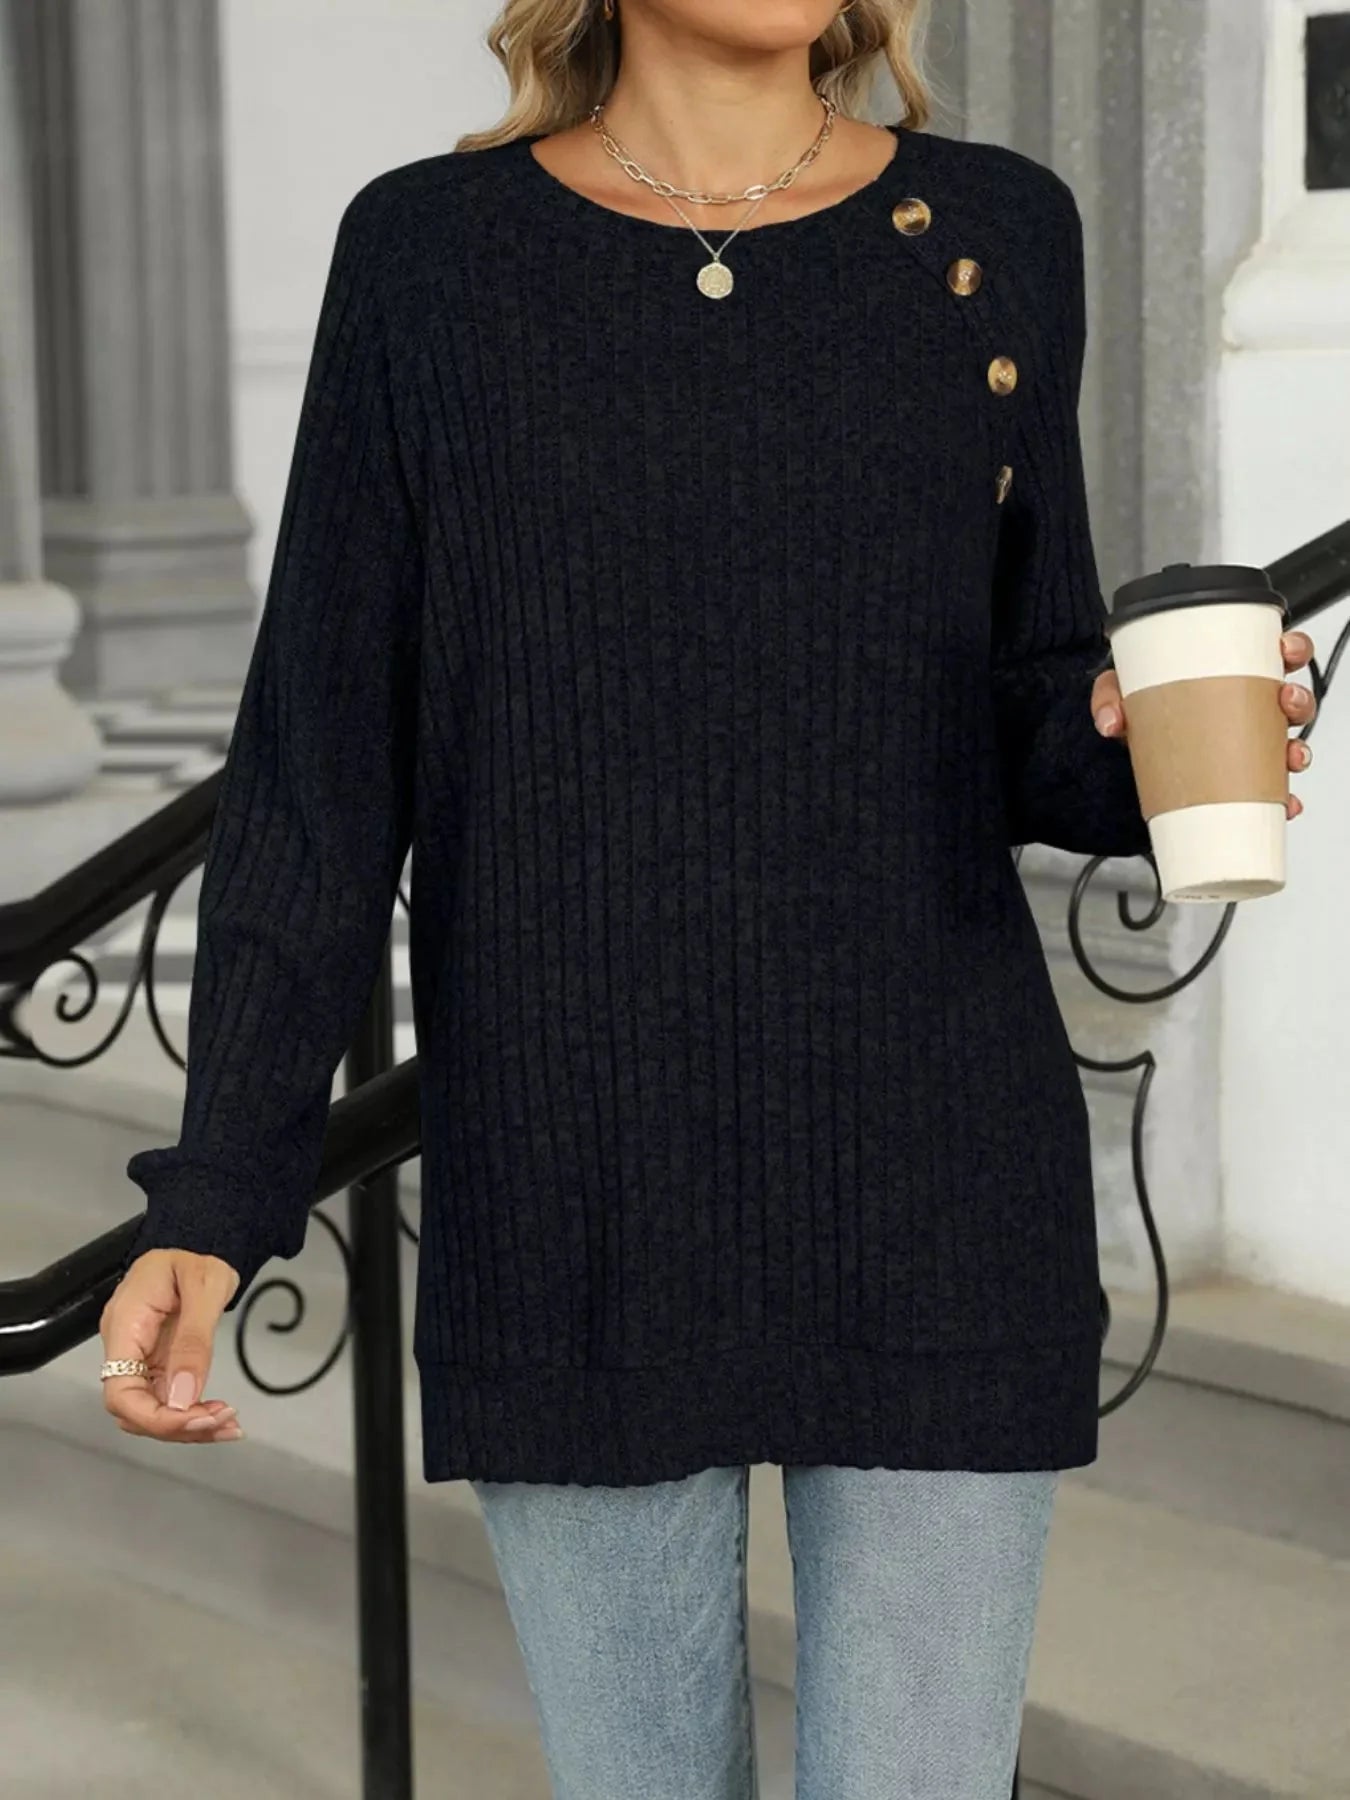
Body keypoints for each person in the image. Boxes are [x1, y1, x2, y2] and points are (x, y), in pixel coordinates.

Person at [100, 1, 1319, 1794]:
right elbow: (318, 774)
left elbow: (1017, 699)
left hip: (933, 1172)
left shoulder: (995, 232)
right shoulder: (430, 261)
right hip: (575, 1192)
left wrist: (1126, 742)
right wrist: (218, 1196)